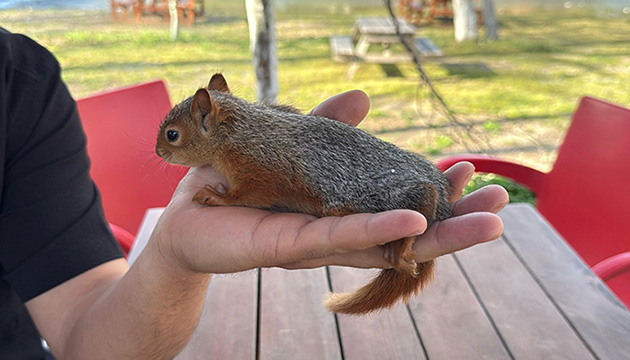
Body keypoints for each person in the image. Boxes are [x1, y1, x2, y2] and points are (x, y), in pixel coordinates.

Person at [0, 27, 508, 359]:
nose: (163, 151)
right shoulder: (241, 142)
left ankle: (411, 228)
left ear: (209, 116)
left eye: (172, 140)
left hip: (362, 185)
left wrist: (180, 251)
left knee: (383, 199)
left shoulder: (21, 82)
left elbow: (264, 182)